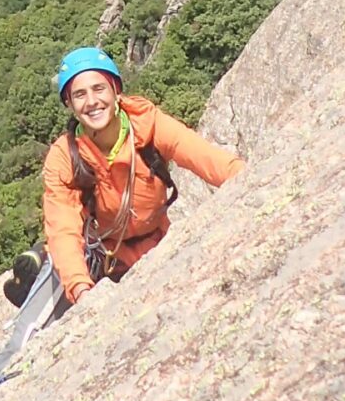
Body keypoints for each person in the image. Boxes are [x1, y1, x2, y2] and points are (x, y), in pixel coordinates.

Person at [39, 46, 244, 305]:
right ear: (69, 103)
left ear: (116, 89)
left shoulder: (147, 125)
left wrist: (247, 177)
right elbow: (63, 228)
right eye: (79, 94)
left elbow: (203, 156)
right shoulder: (65, 157)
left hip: (158, 245)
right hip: (106, 259)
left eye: (99, 89)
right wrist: (81, 289)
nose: (91, 102)